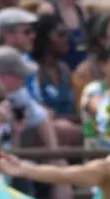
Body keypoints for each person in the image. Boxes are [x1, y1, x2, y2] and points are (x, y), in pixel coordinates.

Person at [0, 45, 72, 199]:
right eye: (19, 76)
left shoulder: (18, 94)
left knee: (58, 166)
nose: (23, 80)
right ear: (3, 77)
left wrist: (53, 152)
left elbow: (42, 117)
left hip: (9, 155)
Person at [29, 15, 82, 145]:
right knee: (66, 130)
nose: (66, 39)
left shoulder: (64, 69)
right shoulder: (32, 70)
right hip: (43, 130)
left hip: (70, 126)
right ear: (44, 38)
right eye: (61, 34)